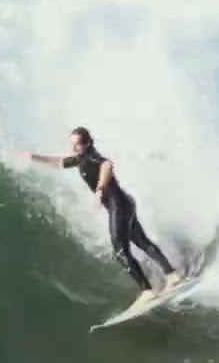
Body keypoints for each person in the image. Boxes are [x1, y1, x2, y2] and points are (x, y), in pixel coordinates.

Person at [25, 127, 183, 304]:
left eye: (77, 144)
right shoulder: (81, 158)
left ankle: (147, 290)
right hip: (125, 203)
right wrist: (34, 157)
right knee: (142, 242)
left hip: (119, 206)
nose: (73, 148)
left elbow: (107, 165)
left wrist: (100, 189)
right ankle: (172, 274)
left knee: (121, 251)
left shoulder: (92, 156)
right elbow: (59, 162)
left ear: (86, 143)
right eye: (72, 144)